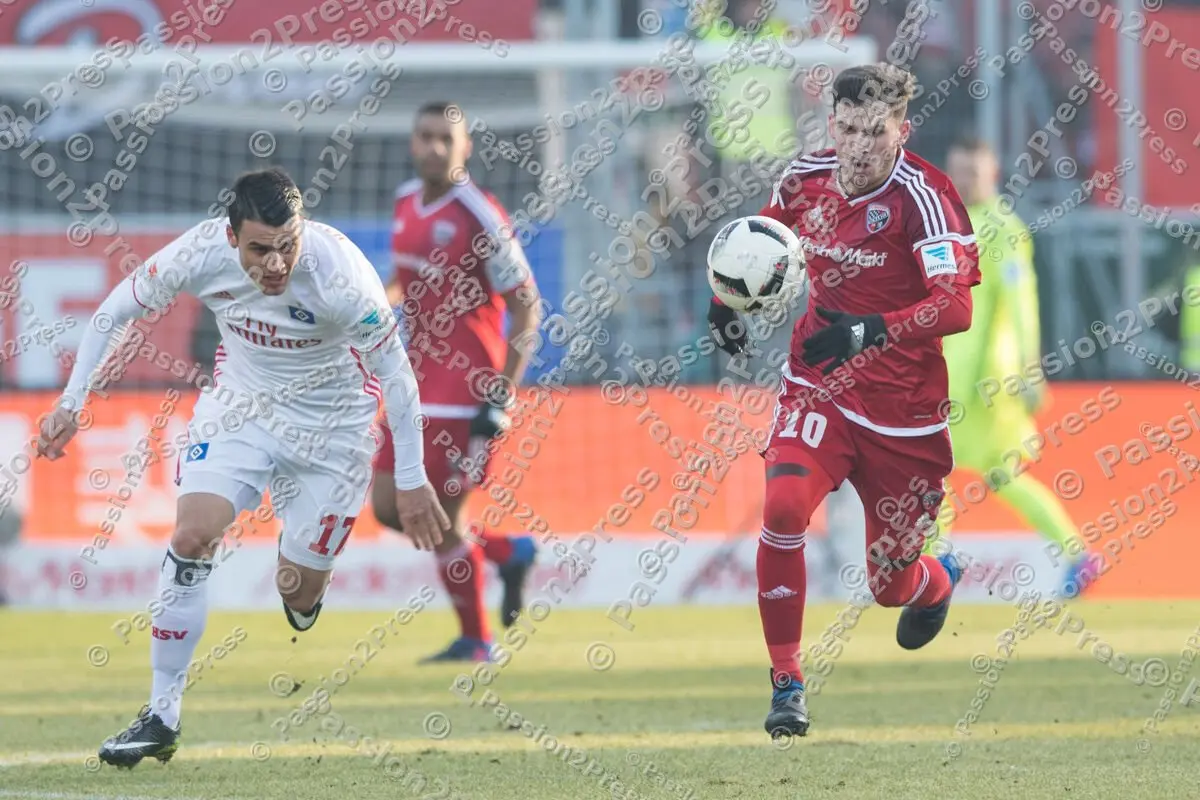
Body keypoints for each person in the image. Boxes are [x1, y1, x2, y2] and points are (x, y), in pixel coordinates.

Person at [35, 167, 449, 768]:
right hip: (242, 408)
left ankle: (304, 569)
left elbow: (397, 376)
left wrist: (410, 479)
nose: (277, 263)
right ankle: (162, 713)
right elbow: (111, 314)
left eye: (288, 246)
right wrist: (72, 403)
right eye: (260, 249)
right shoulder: (200, 252)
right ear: (231, 238)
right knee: (192, 534)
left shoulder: (341, 278)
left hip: (333, 433)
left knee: (298, 592)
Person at [707, 63, 981, 739]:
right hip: (818, 383)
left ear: (901, 129)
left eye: (875, 130)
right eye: (849, 128)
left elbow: (955, 305)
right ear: (833, 123)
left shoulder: (927, 197)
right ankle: (787, 683)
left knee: (889, 585)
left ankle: (934, 583)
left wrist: (872, 330)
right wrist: (724, 303)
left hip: (905, 412)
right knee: (782, 506)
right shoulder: (804, 176)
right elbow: (760, 243)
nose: (860, 144)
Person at [373, 102, 542, 663]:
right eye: (425, 137)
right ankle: (505, 552)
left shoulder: (480, 213)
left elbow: (526, 306)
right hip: (412, 383)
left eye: (447, 139)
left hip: (466, 386)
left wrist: (503, 394)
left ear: (466, 146)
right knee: (386, 507)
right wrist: (371, 306)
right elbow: (402, 277)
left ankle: (477, 640)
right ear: (411, 142)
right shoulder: (403, 201)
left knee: (440, 518)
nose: (434, 148)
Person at [940, 136, 1098, 596]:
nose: (964, 180)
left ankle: (936, 563)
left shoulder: (1004, 230)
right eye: (958, 171)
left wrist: (1029, 367)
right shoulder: (949, 223)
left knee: (935, 471)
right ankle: (1075, 553)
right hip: (949, 374)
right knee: (983, 475)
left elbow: (1022, 301)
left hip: (988, 380)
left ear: (992, 174)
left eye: (972, 172)